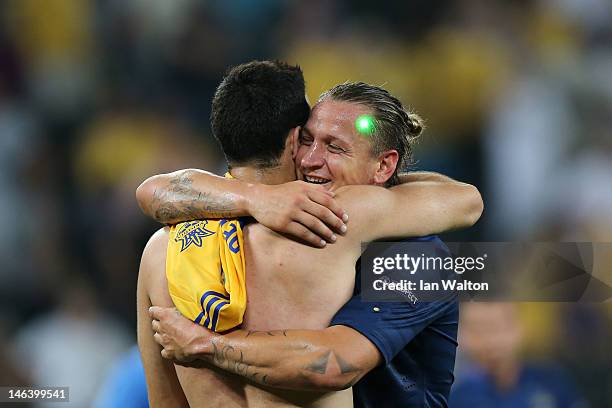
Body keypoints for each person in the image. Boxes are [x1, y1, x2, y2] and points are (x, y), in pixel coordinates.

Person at [137, 61, 483, 407]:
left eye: (335, 148)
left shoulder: (160, 249)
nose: (311, 159)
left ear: (383, 166)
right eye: (307, 140)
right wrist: (261, 199)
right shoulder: (332, 226)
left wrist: (204, 345)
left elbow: (335, 362)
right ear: (290, 141)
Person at [450, 303, 587, 408]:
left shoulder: (552, 380)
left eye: (497, 327)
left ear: (518, 328)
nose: (490, 341)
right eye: (477, 330)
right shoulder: (454, 395)